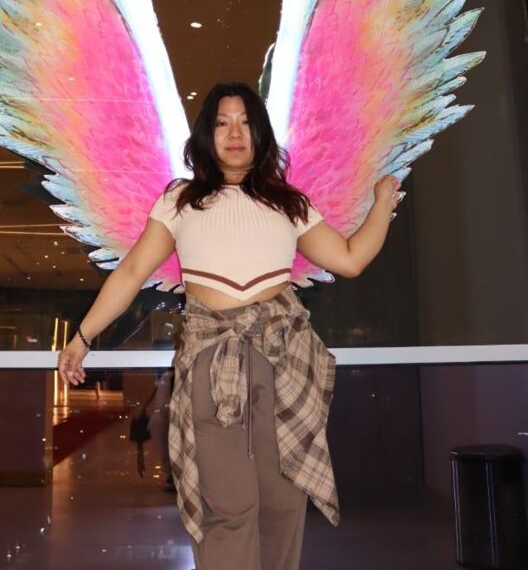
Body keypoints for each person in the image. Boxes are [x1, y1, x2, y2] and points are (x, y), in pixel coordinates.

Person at [58, 81, 402, 570]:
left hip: (283, 358)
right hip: (210, 362)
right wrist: (82, 336)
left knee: (283, 503)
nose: (235, 133)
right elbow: (132, 272)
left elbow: (349, 259)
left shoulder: (288, 202)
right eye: (222, 123)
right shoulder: (180, 200)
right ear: (207, 134)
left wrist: (382, 203)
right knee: (228, 505)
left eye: (244, 122)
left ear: (260, 133)